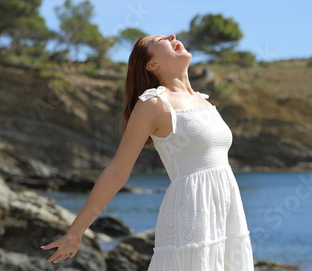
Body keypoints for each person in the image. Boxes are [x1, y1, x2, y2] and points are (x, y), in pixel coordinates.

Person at [40, 34, 254, 270]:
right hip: (191, 215)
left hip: (226, 213)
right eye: (160, 39)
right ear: (152, 65)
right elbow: (116, 172)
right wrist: (75, 232)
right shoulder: (154, 104)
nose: (172, 35)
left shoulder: (203, 101)